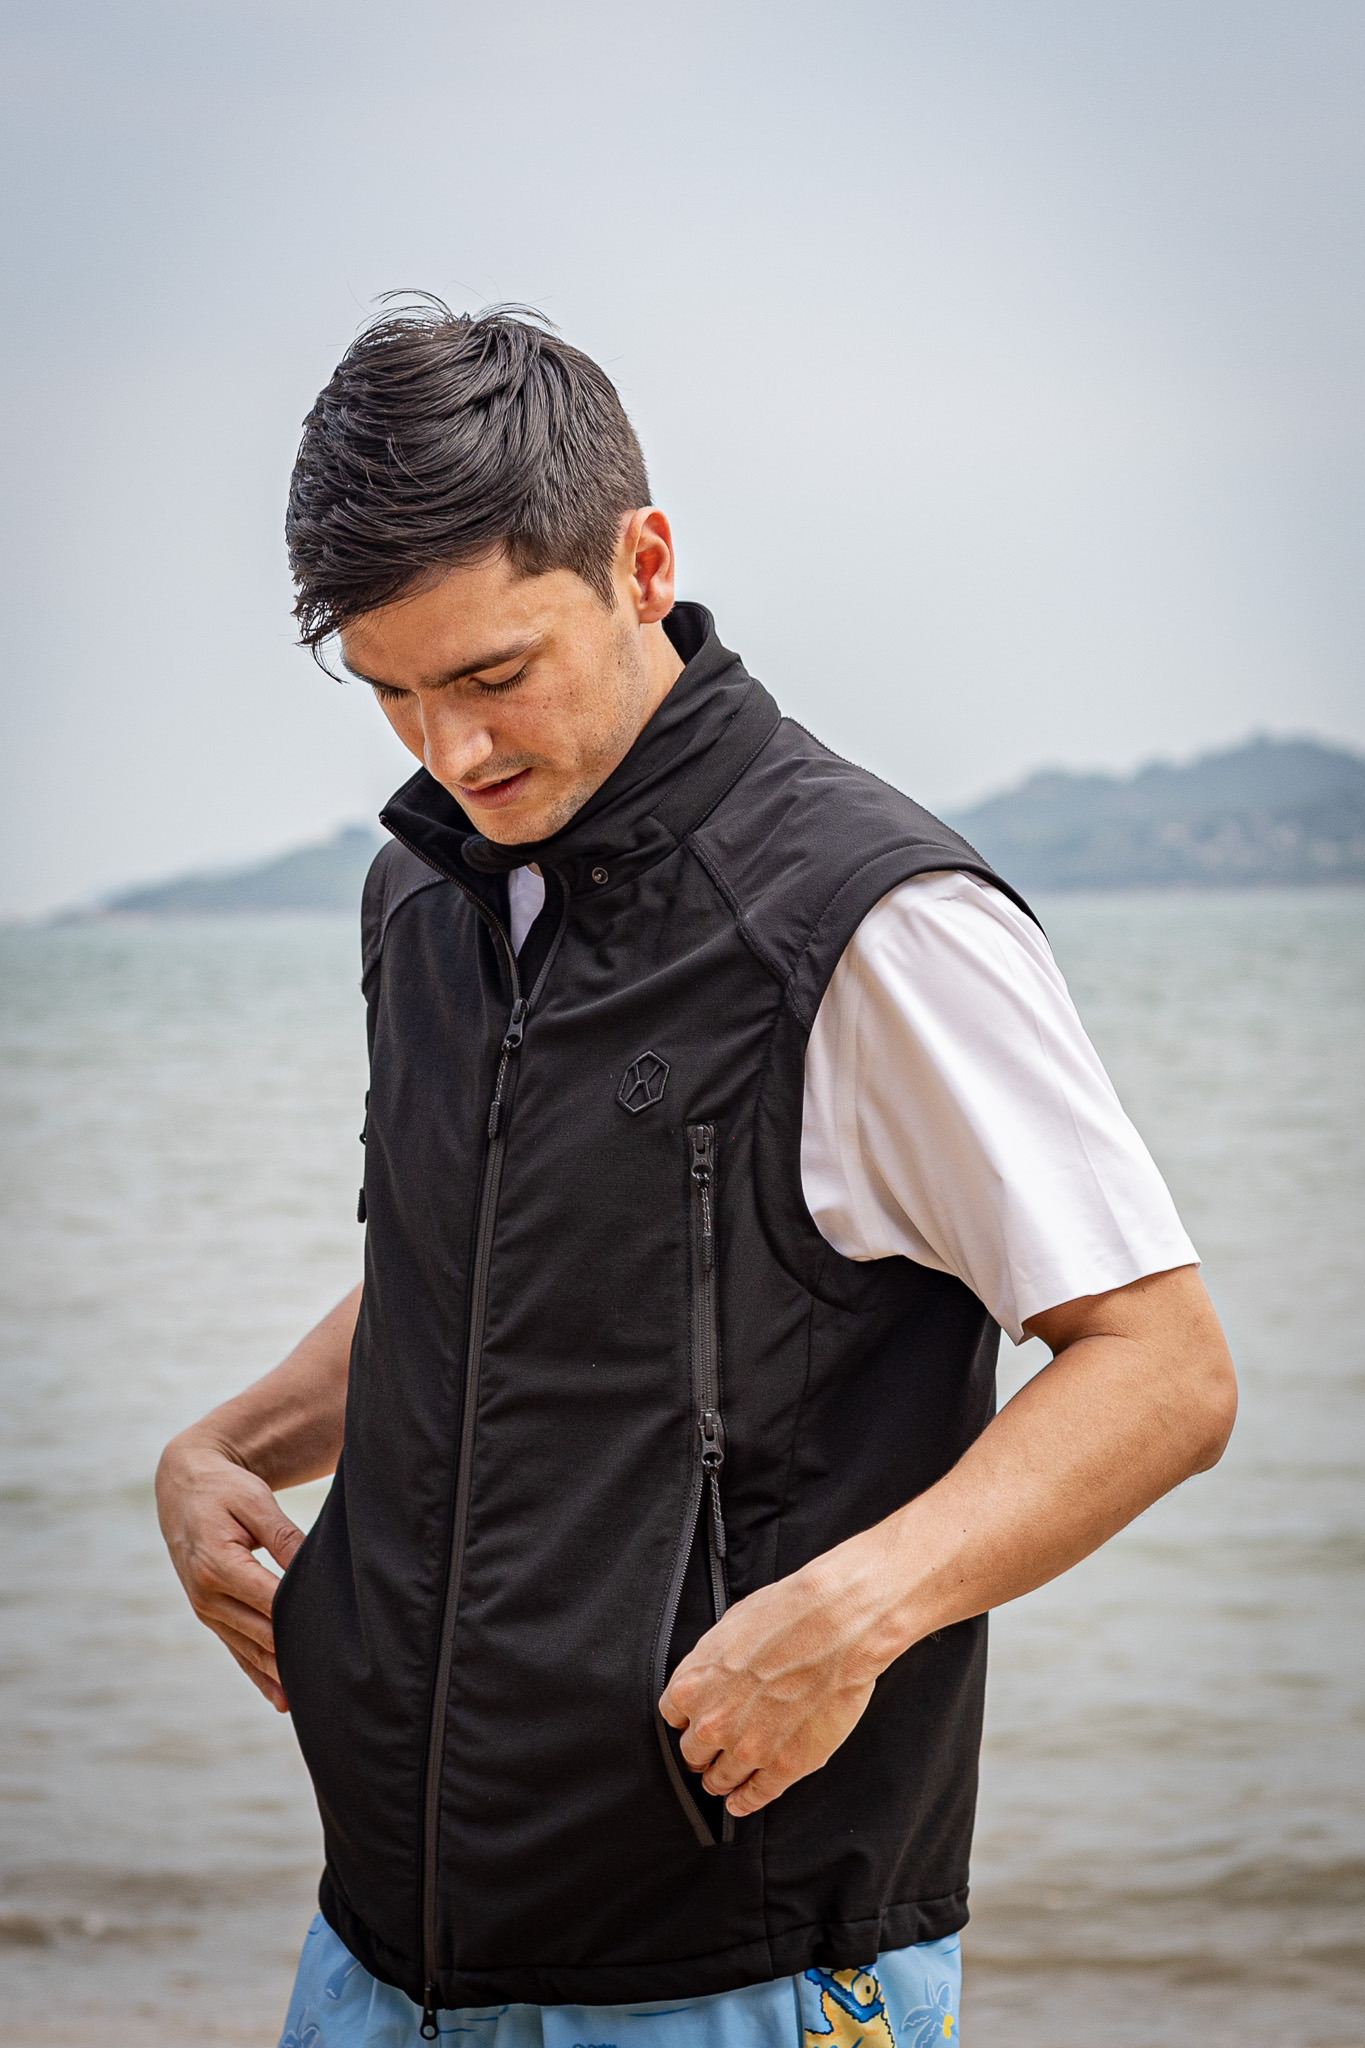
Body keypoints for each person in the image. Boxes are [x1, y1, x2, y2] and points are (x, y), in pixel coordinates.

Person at [156, 302, 1237, 2048]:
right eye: (393, 693)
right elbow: (479, 1269)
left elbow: (1165, 1371)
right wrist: (226, 1445)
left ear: (641, 565)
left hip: (733, 1972)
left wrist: (854, 1613)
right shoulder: (420, 896)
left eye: (491, 676)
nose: (450, 753)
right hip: (377, 1954)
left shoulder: (875, 922)